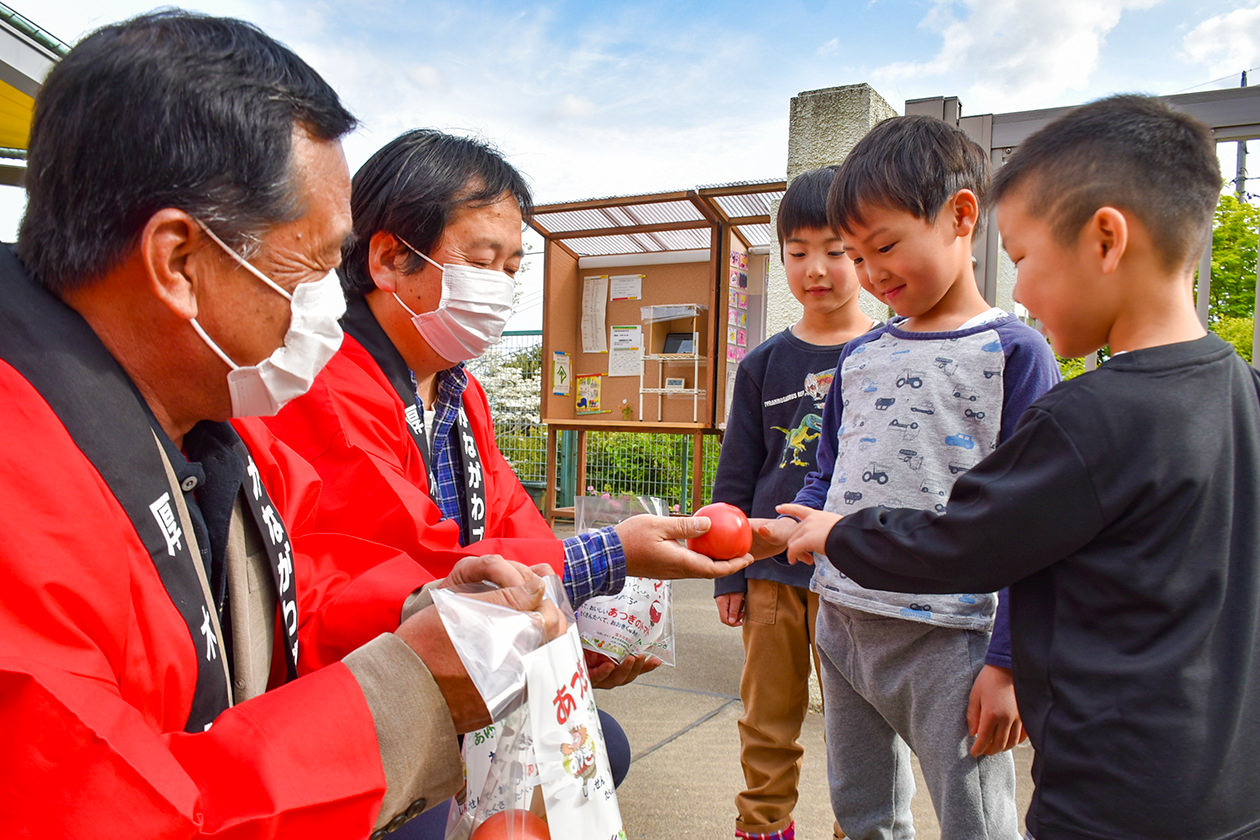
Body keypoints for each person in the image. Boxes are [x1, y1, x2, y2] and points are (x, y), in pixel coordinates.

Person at [0, 12, 564, 837]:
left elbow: (307, 569)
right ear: (178, 261)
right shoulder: (26, 490)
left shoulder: (206, 418)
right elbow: (114, 811)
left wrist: (423, 600)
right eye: (310, 264)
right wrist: (409, 687)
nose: (328, 307)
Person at [778, 94, 1260, 840]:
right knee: (862, 803)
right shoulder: (1242, 393)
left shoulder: (1080, 411)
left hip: (1107, 787)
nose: (1023, 290)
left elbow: (976, 539)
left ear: (1106, 238)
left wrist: (842, 539)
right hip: (1219, 779)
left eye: (1027, 259)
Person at [264, 128, 749, 662]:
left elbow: (512, 516)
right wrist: (613, 553)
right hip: (373, 678)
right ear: (388, 259)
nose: (499, 286)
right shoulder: (325, 384)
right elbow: (419, 563)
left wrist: (570, 622)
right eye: (479, 261)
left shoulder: (462, 388)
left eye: (512, 269)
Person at [763, 114, 1061, 840]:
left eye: (886, 247)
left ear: (962, 216)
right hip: (842, 620)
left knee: (977, 820)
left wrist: (1010, 662)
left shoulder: (1013, 352)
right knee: (862, 812)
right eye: (859, 257)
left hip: (952, 635)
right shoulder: (859, 357)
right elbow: (826, 477)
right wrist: (784, 526)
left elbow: (1036, 527)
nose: (872, 274)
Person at [712, 166, 874, 840]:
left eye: (836, 250)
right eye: (799, 250)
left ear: (863, 252)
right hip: (774, 573)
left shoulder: (888, 353)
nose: (818, 268)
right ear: (781, 257)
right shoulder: (763, 364)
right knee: (767, 718)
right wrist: (732, 568)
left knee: (860, 726)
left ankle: (860, 827)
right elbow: (738, 471)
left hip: (856, 575)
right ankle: (763, 824)